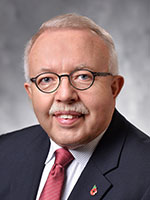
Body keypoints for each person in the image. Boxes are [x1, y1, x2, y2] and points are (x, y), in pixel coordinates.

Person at [0, 13, 150, 200]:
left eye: (83, 76)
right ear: (30, 93)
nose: (65, 95)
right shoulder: (4, 152)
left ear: (114, 88)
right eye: (46, 79)